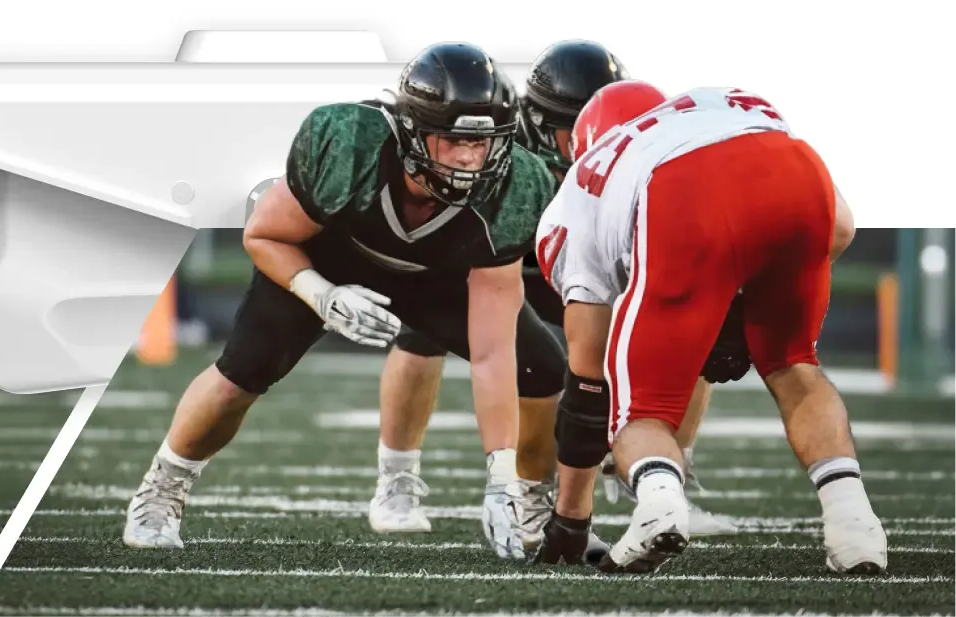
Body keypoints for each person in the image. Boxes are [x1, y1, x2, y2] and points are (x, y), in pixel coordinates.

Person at [122, 42, 559, 559]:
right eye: (451, 139)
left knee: (540, 367)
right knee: (242, 372)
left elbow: (492, 351)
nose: (469, 157)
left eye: (482, 142)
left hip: (436, 277)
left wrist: (499, 473)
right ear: (414, 129)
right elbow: (263, 235)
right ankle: (162, 489)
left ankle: (526, 502)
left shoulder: (514, 187)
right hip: (328, 259)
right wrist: (321, 293)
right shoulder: (351, 147)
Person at [367, 40, 733, 555]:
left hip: (588, 270)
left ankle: (666, 476)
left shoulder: (633, 154)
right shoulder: (496, 152)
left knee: (690, 325)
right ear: (538, 123)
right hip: (506, 263)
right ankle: (396, 480)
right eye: (574, 128)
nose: (598, 141)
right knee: (424, 330)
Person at [530, 80, 883, 574]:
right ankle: (855, 526)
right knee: (794, 366)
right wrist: (740, 306)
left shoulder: (584, 185)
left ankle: (659, 507)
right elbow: (840, 228)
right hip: (796, 171)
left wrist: (569, 521)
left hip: (683, 193)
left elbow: (588, 380)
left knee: (640, 410)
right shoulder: (723, 101)